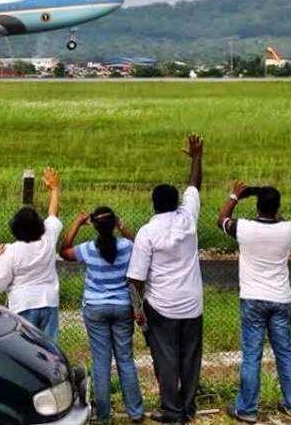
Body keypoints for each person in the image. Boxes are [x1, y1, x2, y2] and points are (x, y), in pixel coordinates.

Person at [126, 133, 204, 424]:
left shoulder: (147, 232)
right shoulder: (188, 221)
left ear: (154, 204)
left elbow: (135, 279)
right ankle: (188, 407)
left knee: (166, 359)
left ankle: (172, 411)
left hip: (162, 307)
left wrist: (138, 309)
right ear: (176, 203)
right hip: (192, 303)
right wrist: (197, 157)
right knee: (191, 358)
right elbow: (194, 186)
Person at [217, 182, 291, 423]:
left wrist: (235, 195)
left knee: (252, 355)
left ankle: (246, 409)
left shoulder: (244, 228)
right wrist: (267, 197)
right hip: (281, 298)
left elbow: (222, 219)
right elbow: (280, 217)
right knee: (285, 353)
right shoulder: (288, 228)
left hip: (253, 298)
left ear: (256, 206)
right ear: (278, 207)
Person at [60, 206, 144, 423]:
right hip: (122, 306)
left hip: (95, 307)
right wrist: (121, 226)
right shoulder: (126, 247)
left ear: (95, 226)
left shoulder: (88, 249)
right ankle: (135, 411)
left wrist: (77, 223)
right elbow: (140, 245)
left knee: (101, 361)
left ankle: (104, 414)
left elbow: (64, 251)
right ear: (113, 223)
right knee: (125, 359)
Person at [0, 167, 63, 340]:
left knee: (26, 352)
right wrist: (54, 189)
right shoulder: (48, 238)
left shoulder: (11, 251)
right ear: (39, 224)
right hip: (49, 301)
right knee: (50, 350)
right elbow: (53, 214)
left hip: (22, 304)